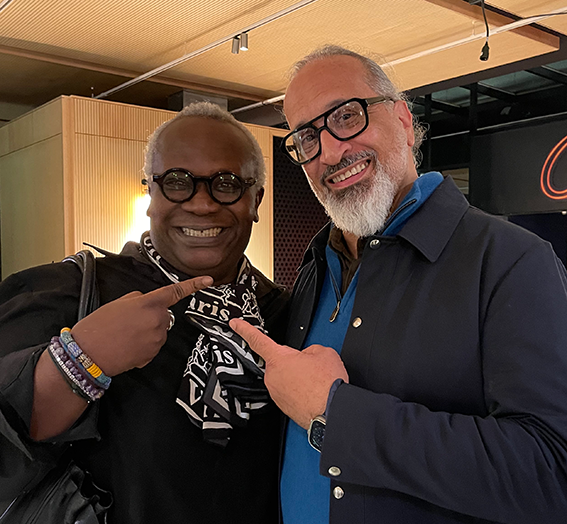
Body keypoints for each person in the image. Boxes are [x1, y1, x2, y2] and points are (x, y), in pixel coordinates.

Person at [230, 45, 567, 524]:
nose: (330, 152)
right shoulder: (316, 269)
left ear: (405, 121)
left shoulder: (510, 261)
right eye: (306, 137)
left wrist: (334, 416)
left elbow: (551, 472)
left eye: (347, 116)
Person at [0, 102, 288, 523]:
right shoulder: (70, 293)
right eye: (177, 182)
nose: (202, 204)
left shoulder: (286, 314)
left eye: (226, 184)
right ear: (150, 193)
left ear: (255, 199)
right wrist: (80, 359)